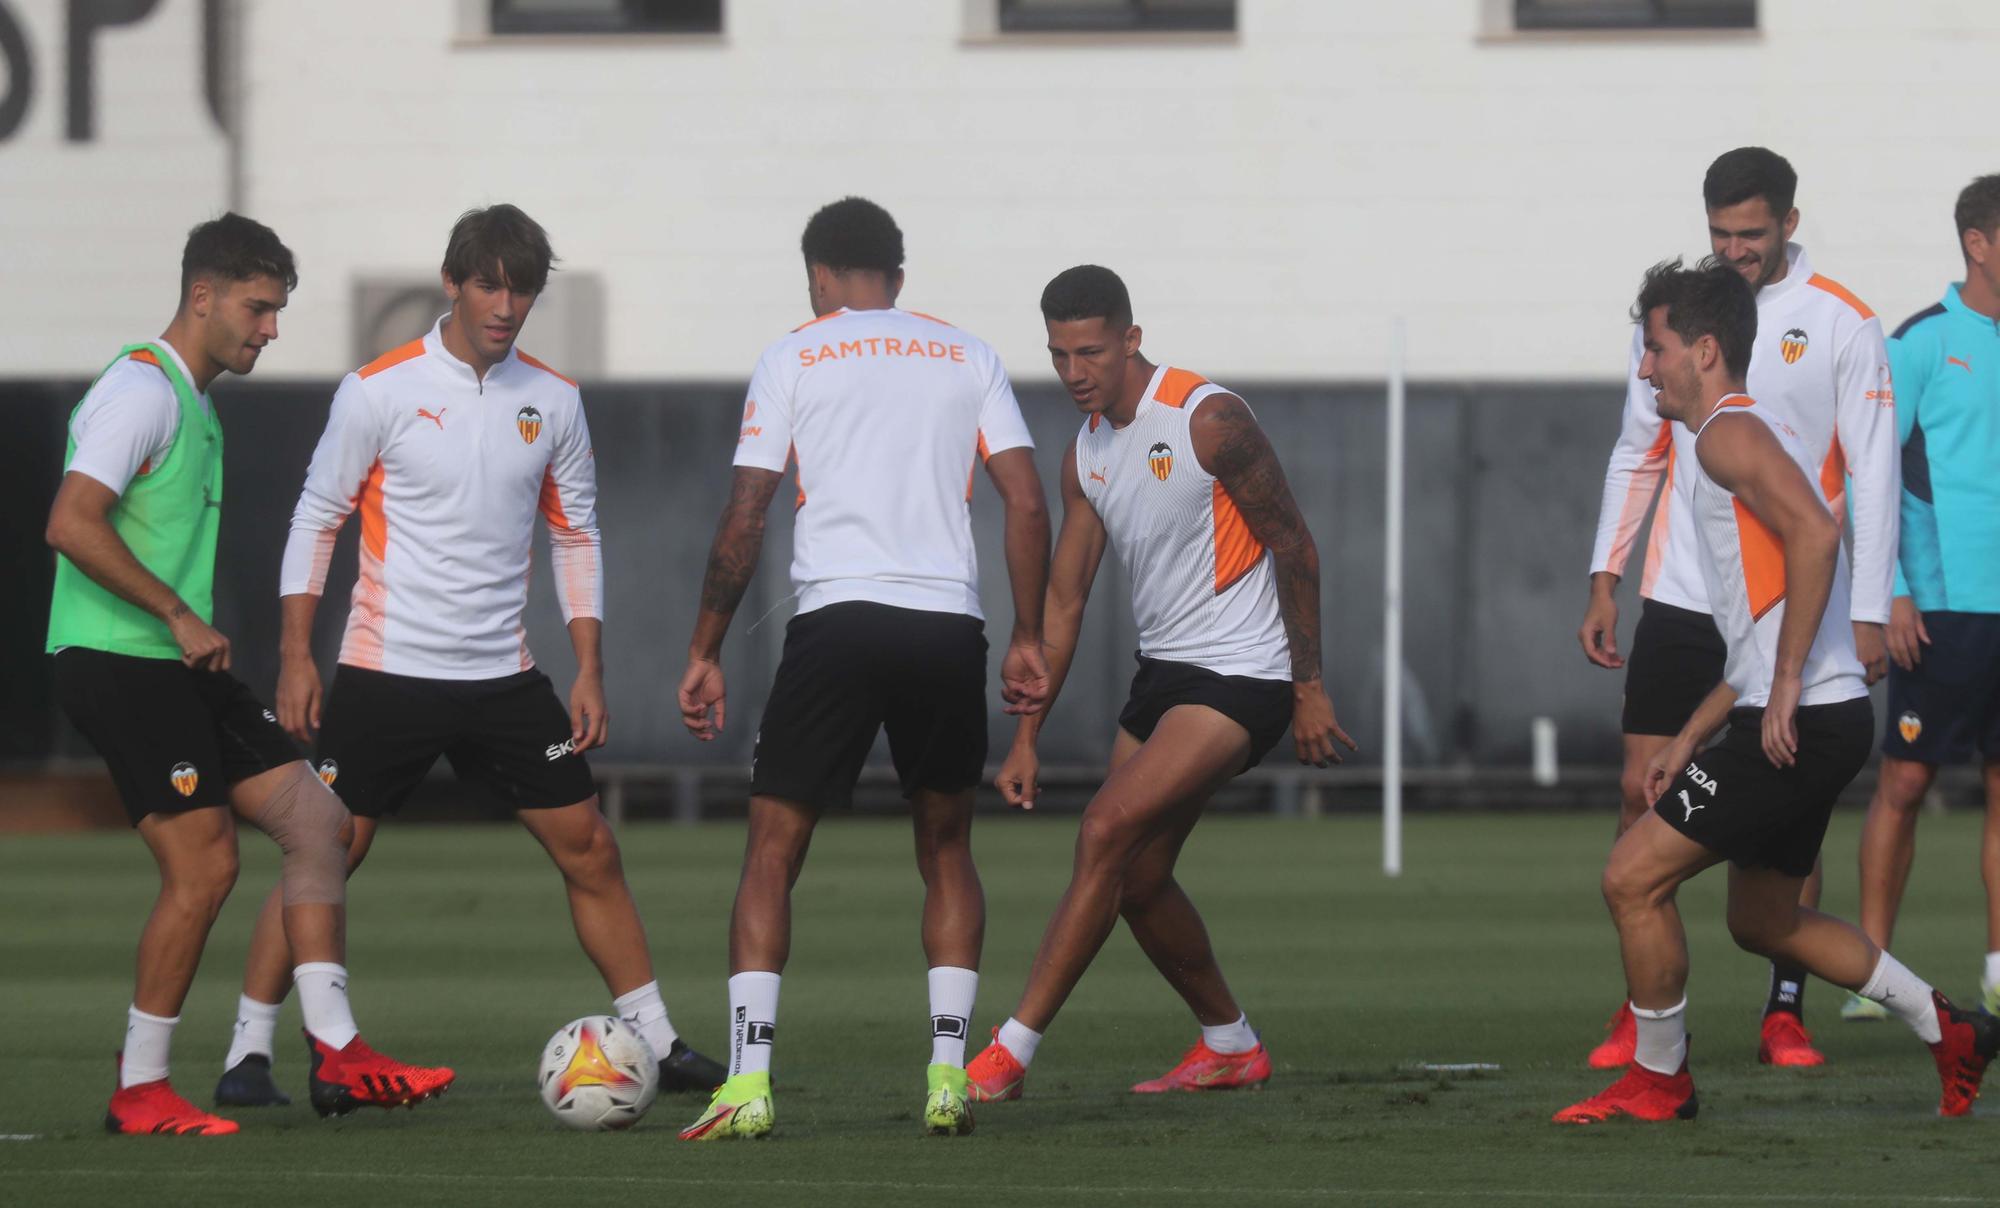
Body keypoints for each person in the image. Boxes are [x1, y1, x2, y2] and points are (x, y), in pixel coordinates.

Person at [213, 204, 721, 1108]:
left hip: (503, 676)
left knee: (590, 848)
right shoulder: (378, 390)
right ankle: (248, 1056)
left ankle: (659, 1038)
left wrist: (589, 667)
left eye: (522, 287)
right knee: (322, 856)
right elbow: (315, 519)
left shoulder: (554, 399)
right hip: (386, 669)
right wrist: (297, 655)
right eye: (490, 283)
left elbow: (576, 537)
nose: (506, 303)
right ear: (452, 282)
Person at [1555, 258, 1994, 1125]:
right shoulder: (1732, 433)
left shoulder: (1726, 435)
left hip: (1802, 717)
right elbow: (1764, 623)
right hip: (1809, 716)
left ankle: (1659, 1079)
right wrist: (1692, 736)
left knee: (1630, 878)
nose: (1646, 369)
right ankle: (1952, 1030)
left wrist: (1786, 682)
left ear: (1706, 350)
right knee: (1764, 920)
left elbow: (1818, 535)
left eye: (1657, 349)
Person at [45, 214, 453, 1134]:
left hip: (169, 662)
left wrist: (181, 629)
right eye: (258, 309)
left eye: (275, 311)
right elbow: (71, 521)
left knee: (320, 818)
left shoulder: (193, 399)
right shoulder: (139, 392)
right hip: (119, 659)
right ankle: (141, 1089)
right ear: (202, 296)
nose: (270, 329)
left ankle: (341, 1055)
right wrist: (178, 613)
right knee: (206, 867)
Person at [675, 196, 1051, 1141]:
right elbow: (1026, 503)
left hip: (837, 624)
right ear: (899, 273)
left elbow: (747, 513)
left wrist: (706, 649)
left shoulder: (795, 352)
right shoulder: (966, 353)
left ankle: (750, 1086)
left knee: (773, 852)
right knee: (947, 850)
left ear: (818, 275)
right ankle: (948, 1078)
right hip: (943, 626)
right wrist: (1027, 635)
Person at [963, 264, 1355, 1104]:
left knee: (1104, 829)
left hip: (1244, 674)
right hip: (1164, 675)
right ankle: (1230, 1044)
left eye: (1091, 352)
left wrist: (1309, 685)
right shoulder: (1086, 452)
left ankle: (1008, 1053)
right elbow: (1066, 600)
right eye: (1060, 354)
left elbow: (1296, 546)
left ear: (1132, 339)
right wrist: (1028, 737)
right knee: (1137, 879)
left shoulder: (1209, 419)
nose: (1075, 372)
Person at [1578, 147, 1897, 1068]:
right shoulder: (1681, 319)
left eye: (1749, 233)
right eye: (1719, 233)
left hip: (1790, 601)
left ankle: (1783, 1006)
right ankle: (1643, 1012)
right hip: (1683, 593)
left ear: (1788, 225)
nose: (1733, 249)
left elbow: (1869, 474)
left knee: (1787, 795)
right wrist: (1607, 575)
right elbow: (1635, 448)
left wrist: (1871, 606)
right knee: (1639, 802)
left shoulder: (1841, 321)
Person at [1846, 174, 2000, 1021]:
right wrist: (1893, 591)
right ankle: (1874, 976)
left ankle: (1999, 971)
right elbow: (1871, 474)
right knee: (1903, 784)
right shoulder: (1921, 343)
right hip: (1939, 611)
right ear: (1977, 243)